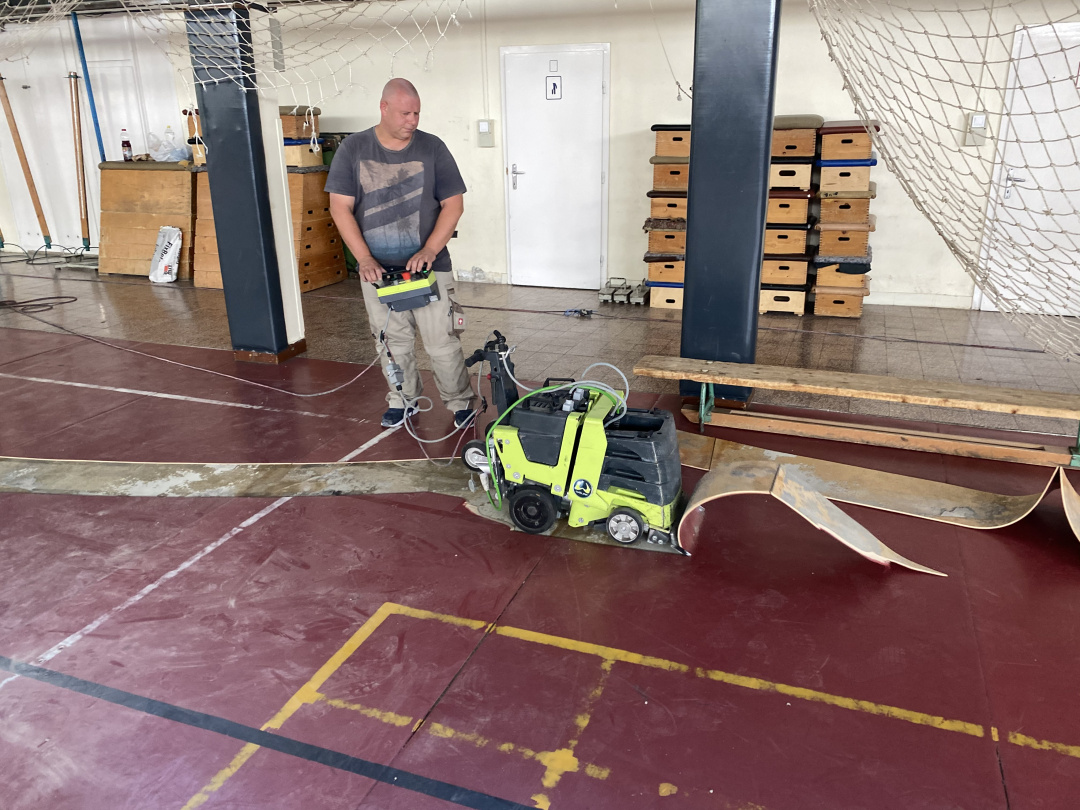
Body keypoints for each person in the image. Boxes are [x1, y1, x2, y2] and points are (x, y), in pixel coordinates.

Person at [326, 78, 476, 429]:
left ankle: (460, 403)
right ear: (384, 108)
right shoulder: (353, 148)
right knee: (392, 343)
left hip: (430, 268)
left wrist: (430, 249)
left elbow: (453, 205)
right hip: (377, 272)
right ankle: (402, 399)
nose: (413, 121)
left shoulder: (433, 148)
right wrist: (364, 258)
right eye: (405, 113)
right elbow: (339, 207)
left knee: (442, 342)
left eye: (417, 113)